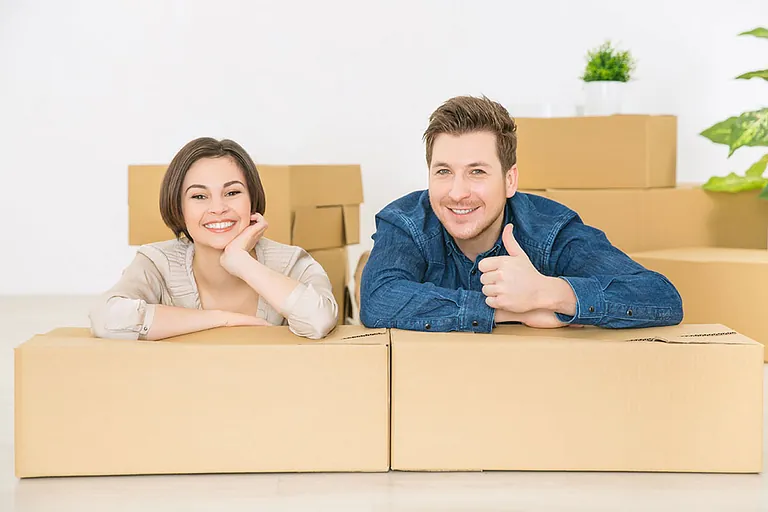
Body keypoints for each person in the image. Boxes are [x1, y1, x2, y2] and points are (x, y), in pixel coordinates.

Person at [360, 95, 683, 332]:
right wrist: (509, 311)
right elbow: (378, 300)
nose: (457, 192)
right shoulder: (405, 222)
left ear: (509, 179)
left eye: (477, 172)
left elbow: (662, 298)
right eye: (443, 172)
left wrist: (550, 293)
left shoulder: (549, 229)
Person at [90, 137, 338, 340]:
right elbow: (105, 318)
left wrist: (241, 262)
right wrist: (222, 319)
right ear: (179, 207)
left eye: (232, 192)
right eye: (199, 196)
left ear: (252, 199)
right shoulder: (157, 262)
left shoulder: (292, 262)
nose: (218, 208)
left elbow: (319, 321)